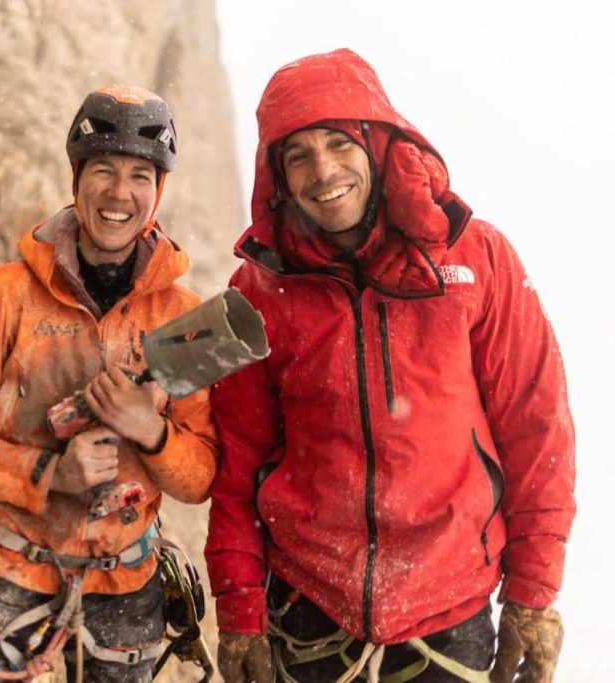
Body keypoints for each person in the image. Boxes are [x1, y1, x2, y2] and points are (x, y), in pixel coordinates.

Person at [204, 49, 575, 683]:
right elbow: (236, 461)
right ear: (278, 176)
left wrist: (533, 594)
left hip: (448, 617)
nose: (324, 172)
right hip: (306, 614)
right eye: (298, 156)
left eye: (338, 144)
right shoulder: (259, 290)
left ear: (377, 143)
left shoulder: (476, 258)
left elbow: (537, 427)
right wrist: (239, 610)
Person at [0, 84, 217, 682]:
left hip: (124, 577)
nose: (119, 193)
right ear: (76, 179)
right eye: (103, 170)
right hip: (6, 564)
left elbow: (201, 476)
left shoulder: (180, 317)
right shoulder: (10, 294)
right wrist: (49, 476)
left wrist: (149, 432)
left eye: (139, 176)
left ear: (158, 192)